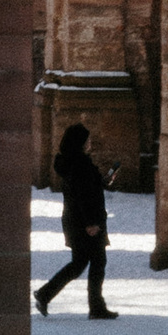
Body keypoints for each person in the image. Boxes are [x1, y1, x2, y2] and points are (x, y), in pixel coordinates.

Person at [35, 121, 117, 317]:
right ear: (79, 142)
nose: (90, 143)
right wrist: (91, 223)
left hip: (76, 220)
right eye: (87, 140)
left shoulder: (75, 162)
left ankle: (45, 294)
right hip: (84, 222)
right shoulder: (80, 164)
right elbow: (82, 195)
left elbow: (88, 187)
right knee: (96, 262)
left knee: (80, 264)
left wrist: (103, 181)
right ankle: (96, 307)